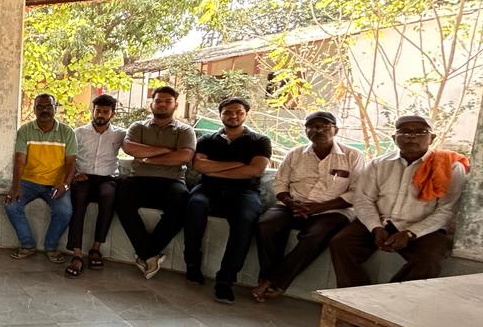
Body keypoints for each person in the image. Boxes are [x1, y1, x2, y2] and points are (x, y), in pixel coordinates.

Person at [329, 114, 468, 287]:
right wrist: (376, 227)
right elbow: (363, 199)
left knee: (429, 260)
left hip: (424, 227)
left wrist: (410, 233)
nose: (411, 136)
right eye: (405, 131)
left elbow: (447, 210)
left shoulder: (451, 167)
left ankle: (389, 302)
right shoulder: (378, 164)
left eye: (420, 131)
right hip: (380, 221)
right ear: (395, 138)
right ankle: (353, 297)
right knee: (341, 243)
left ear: (432, 138)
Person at [252, 111, 363, 301]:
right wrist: (290, 202)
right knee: (267, 225)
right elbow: (279, 183)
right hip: (292, 205)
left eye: (324, 126)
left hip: (333, 209)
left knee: (315, 236)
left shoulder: (352, 156)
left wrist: (317, 208)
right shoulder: (295, 154)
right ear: (306, 131)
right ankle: (267, 276)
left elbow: (356, 192)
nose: (318, 130)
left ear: (335, 130)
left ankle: (275, 281)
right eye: (312, 126)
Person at [184, 96, 273, 303]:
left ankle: (225, 280)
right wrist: (238, 166)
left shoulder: (260, 141)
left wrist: (216, 167)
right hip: (208, 187)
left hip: (244, 192)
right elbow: (199, 167)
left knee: (245, 219)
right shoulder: (207, 139)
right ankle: (192, 265)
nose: (233, 116)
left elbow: (255, 170)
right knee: (195, 205)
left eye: (238, 112)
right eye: (228, 112)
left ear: (246, 114)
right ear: (220, 115)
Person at [117, 86, 197, 279]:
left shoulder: (185, 130)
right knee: (120, 201)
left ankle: (146, 252)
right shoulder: (138, 127)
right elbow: (129, 147)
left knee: (181, 207)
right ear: (151, 104)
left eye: (167, 101)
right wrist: (166, 150)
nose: (162, 104)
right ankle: (150, 255)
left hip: (171, 181)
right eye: (158, 100)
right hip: (139, 179)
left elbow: (184, 156)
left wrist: (148, 157)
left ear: (175, 105)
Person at [4, 93, 79, 261]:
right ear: (34, 109)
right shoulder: (25, 130)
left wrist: (65, 185)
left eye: (48, 106)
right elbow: (19, 160)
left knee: (64, 211)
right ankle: (27, 244)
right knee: (11, 206)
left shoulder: (67, 132)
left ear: (55, 108)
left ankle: (51, 247)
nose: (44, 110)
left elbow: (71, 163)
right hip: (29, 182)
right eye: (40, 107)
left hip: (55, 184)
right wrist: (15, 187)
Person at [66, 94, 126, 278]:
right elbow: (69, 157)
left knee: (108, 196)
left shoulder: (120, 134)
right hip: (83, 177)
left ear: (112, 114)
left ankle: (95, 248)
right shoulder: (79, 133)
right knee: (79, 199)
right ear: (93, 111)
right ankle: (76, 254)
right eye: (98, 110)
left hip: (107, 178)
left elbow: (134, 150)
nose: (101, 114)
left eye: (105, 111)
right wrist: (75, 174)